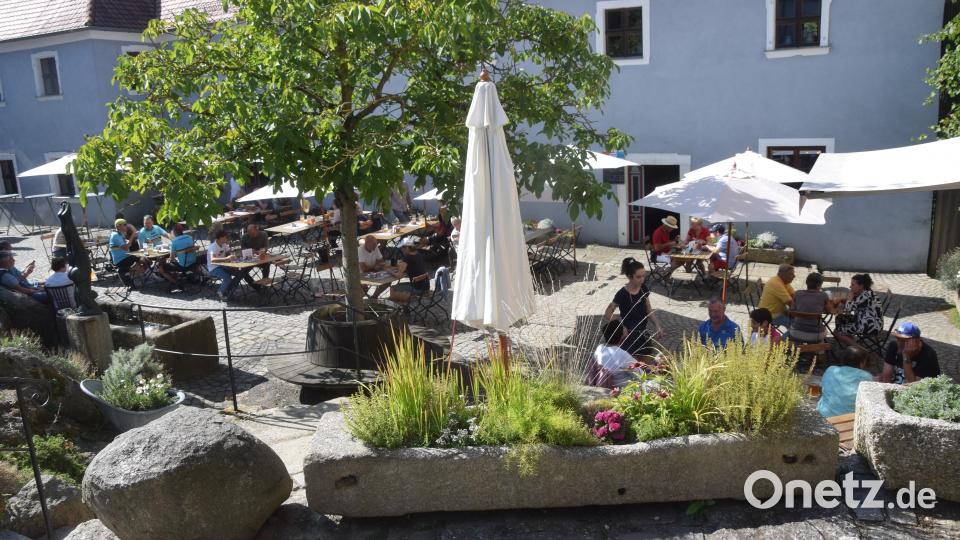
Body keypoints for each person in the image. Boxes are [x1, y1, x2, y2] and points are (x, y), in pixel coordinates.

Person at [603, 257, 665, 356]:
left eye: (643, 276)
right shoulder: (622, 293)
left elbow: (648, 309)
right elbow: (608, 312)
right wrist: (620, 327)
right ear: (629, 276)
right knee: (630, 365)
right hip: (627, 336)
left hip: (642, 334)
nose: (642, 279)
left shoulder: (643, 288)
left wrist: (657, 325)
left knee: (644, 363)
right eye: (638, 277)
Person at [587, 320, 646, 389]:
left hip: (604, 386)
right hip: (623, 392)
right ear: (621, 337)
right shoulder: (623, 355)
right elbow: (641, 377)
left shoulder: (599, 348)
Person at [817, 347, 874, 418]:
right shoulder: (866, 376)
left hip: (823, 414)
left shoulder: (831, 370)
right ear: (861, 363)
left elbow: (822, 389)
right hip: (849, 418)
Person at [835, 274, 883, 347]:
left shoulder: (866, 295)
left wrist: (850, 298)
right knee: (840, 318)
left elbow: (849, 309)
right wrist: (845, 300)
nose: (850, 286)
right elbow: (856, 304)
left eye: (853, 284)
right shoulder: (865, 293)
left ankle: (858, 349)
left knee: (837, 332)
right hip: (864, 320)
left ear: (861, 286)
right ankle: (851, 343)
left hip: (870, 326)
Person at [790, 272, 830, 343]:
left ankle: (798, 350)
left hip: (796, 333)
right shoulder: (823, 295)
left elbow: (792, 309)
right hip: (816, 335)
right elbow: (829, 310)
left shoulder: (797, 293)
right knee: (822, 334)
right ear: (819, 285)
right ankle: (820, 352)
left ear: (807, 283)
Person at [388, 238, 430, 303]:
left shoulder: (407, 258)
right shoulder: (418, 254)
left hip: (417, 288)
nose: (401, 250)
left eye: (402, 248)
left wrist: (388, 271)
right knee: (400, 286)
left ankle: (401, 304)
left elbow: (399, 275)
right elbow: (412, 267)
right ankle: (406, 300)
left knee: (393, 288)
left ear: (407, 248)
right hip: (425, 286)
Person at [207, 229, 243, 301]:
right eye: (226, 237)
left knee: (240, 273)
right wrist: (226, 258)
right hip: (214, 268)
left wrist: (233, 255)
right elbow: (212, 260)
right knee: (227, 277)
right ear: (221, 238)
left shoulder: (224, 244)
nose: (227, 238)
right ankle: (220, 292)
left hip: (223, 265)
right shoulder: (212, 247)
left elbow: (229, 252)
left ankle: (229, 289)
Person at [758, 264, 795, 328]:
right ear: (782, 274)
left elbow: (794, 295)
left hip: (777, 311)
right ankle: (782, 338)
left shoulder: (783, 281)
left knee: (796, 319)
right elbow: (790, 303)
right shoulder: (776, 284)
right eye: (791, 274)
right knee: (796, 325)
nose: (794, 276)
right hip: (770, 315)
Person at [109, 218, 140, 288]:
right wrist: (132, 235)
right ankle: (130, 273)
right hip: (120, 260)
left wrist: (130, 239)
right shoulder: (115, 235)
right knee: (142, 259)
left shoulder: (120, 234)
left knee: (142, 259)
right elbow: (126, 247)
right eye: (125, 225)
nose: (127, 226)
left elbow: (127, 243)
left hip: (125, 257)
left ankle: (129, 273)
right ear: (119, 226)